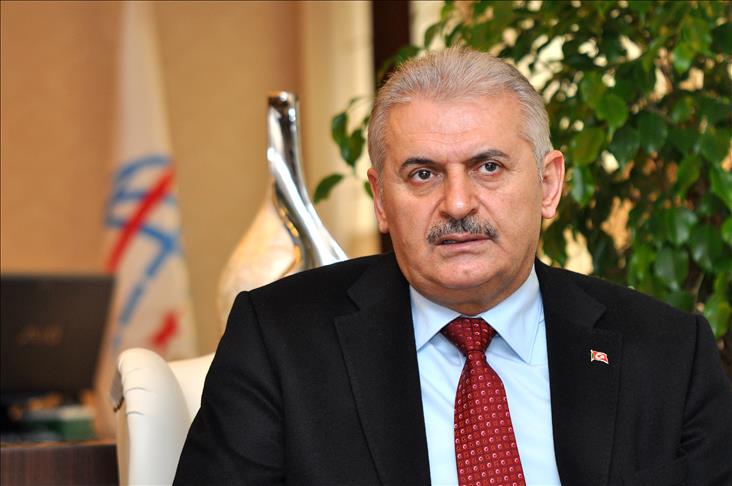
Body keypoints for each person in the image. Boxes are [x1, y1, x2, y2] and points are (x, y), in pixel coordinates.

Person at [174, 48, 732, 485]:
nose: (458, 204)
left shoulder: (668, 353)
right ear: (380, 199)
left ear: (548, 184)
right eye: (423, 174)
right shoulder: (279, 341)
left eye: (488, 167)